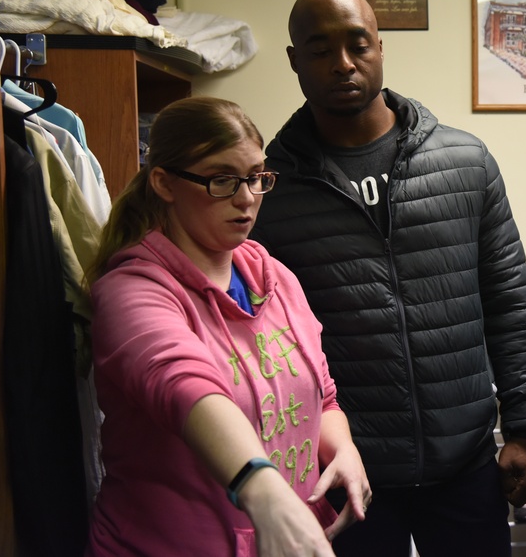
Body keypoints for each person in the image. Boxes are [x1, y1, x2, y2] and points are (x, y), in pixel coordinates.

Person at [249, 0, 526, 556]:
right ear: (294, 60)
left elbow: (510, 302)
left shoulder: (465, 163)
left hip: (465, 465)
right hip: (344, 475)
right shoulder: (268, 191)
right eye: (319, 49)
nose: (342, 64)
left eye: (357, 44)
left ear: (380, 47)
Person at [85, 97, 371, 556]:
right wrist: (263, 490)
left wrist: (342, 449)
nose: (245, 198)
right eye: (222, 180)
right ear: (164, 182)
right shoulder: (131, 291)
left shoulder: (274, 277)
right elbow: (186, 387)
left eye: (257, 178)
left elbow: (323, 396)